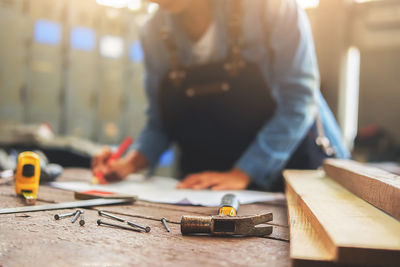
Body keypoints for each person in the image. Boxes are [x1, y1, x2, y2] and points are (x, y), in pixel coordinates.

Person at [91, 0, 349, 191]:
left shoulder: (271, 8)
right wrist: (128, 164)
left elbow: (299, 100)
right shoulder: (153, 32)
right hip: (214, 189)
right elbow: (161, 124)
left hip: (296, 175)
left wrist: (243, 172)